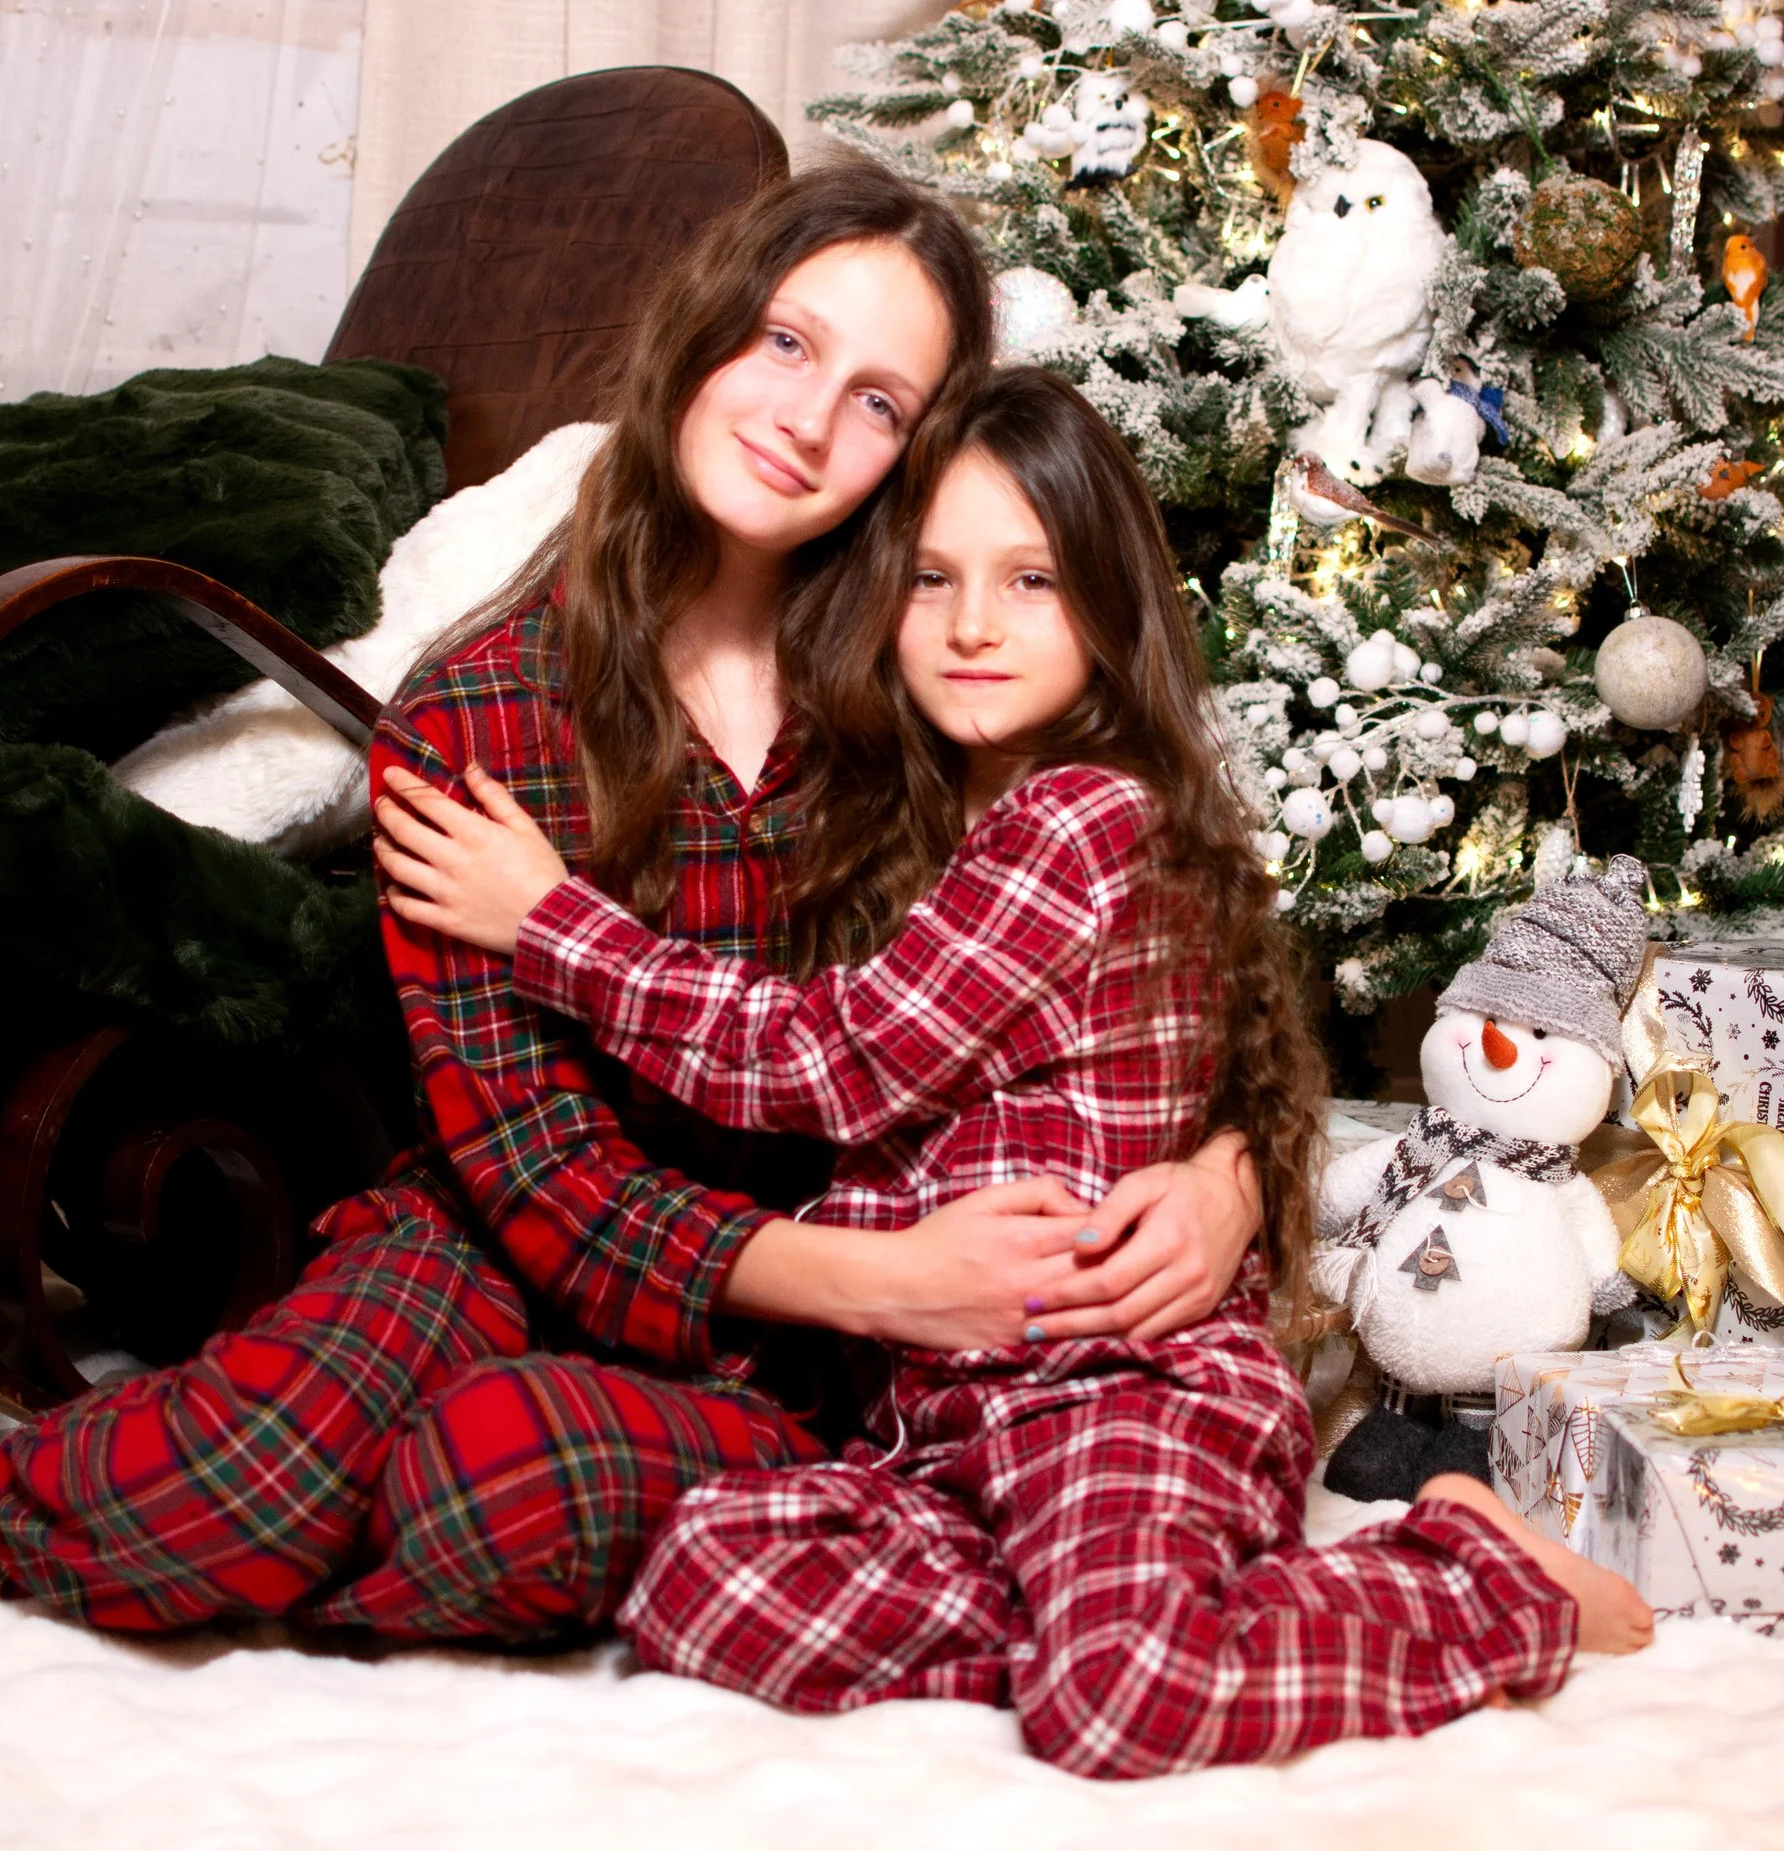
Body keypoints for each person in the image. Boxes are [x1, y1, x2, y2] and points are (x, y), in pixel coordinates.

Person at [0, 158, 1265, 1645]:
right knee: (251, 1481)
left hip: (808, 1333)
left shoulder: (933, 677)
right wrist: (866, 1273)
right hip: (518, 1228)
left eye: (875, 399)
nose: (803, 418)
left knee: (490, 1510)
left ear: (910, 458)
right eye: (784, 341)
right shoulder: (482, 713)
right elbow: (532, 1160)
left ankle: (310, 1505)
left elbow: (1161, 952)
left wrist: (1222, 1169)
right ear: (704, 326)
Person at [381, 365, 1652, 1779]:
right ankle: (1091, 1614)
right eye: (932, 579)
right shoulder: (920, 832)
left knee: (1121, 1706)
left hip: (1120, 1382)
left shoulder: (1082, 818)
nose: (973, 624)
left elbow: (833, 1062)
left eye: (1030, 580)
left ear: (1109, 606)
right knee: (706, 1582)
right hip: (942, 1415)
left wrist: (551, 924)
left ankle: (1469, 1579)